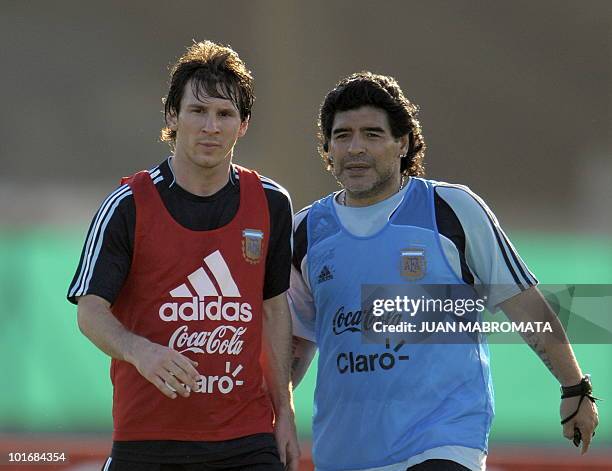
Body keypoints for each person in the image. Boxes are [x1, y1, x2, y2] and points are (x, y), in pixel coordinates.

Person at [288, 72, 599, 471]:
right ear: (328, 147)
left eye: (372, 134)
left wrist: (574, 387)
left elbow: (526, 306)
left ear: (402, 143)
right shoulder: (306, 231)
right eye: (342, 135)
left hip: (445, 442)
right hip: (346, 452)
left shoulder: (450, 210)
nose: (356, 148)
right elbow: (294, 343)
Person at [67, 40, 299, 471]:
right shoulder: (128, 204)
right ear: (173, 116)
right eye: (198, 111)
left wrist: (284, 413)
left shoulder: (271, 203)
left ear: (243, 124)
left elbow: (273, 310)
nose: (211, 126)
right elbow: (90, 311)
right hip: (148, 439)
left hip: (246, 438)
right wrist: (141, 352)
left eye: (225, 114)